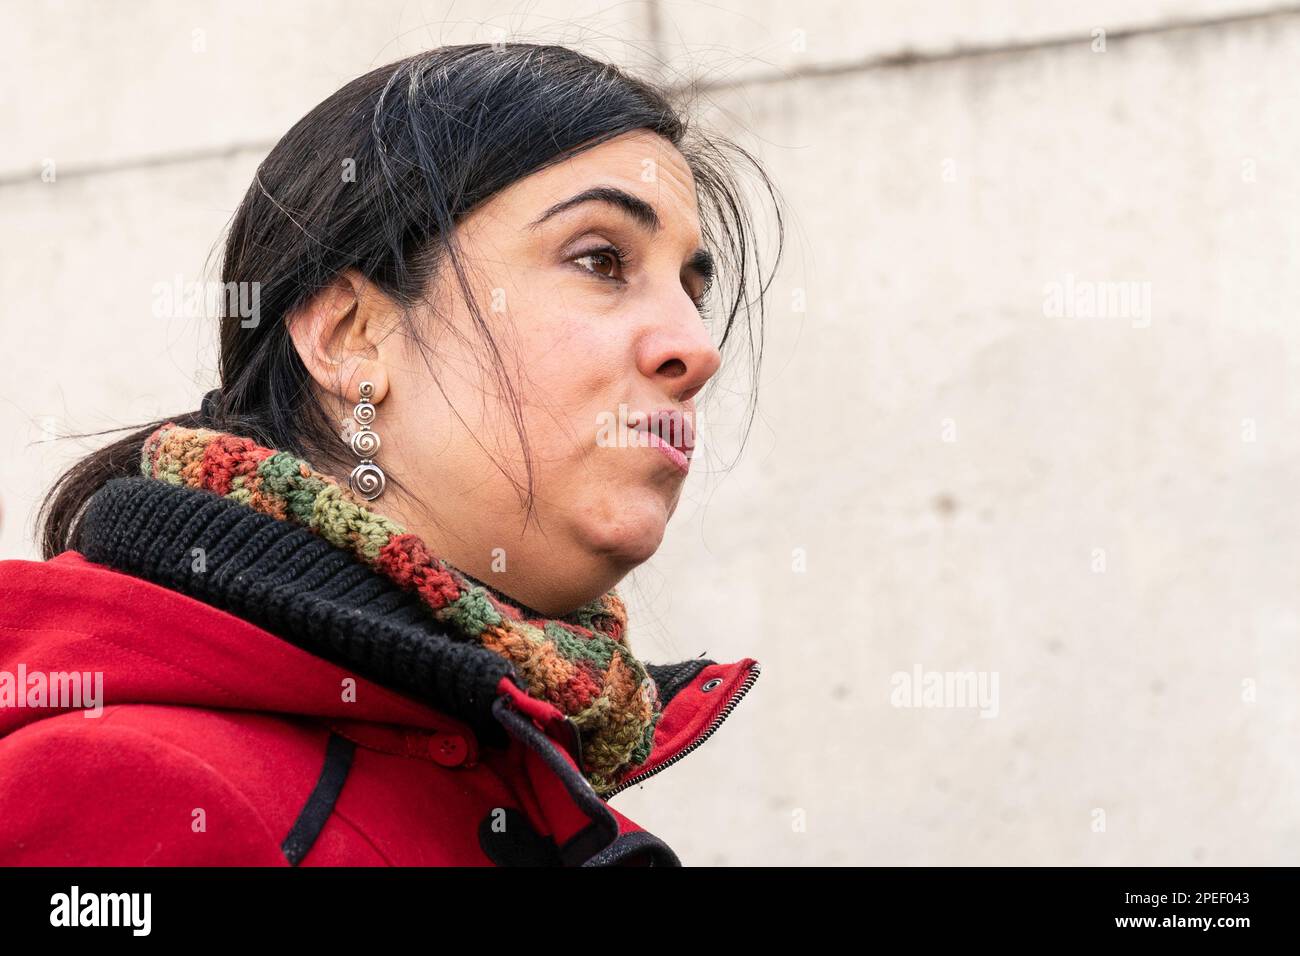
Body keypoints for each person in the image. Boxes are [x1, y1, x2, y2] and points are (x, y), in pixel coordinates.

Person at [0, 42, 781, 866]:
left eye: (693, 293)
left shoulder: (538, 781)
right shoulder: (128, 790)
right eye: (600, 261)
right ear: (353, 337)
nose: (696, 349)